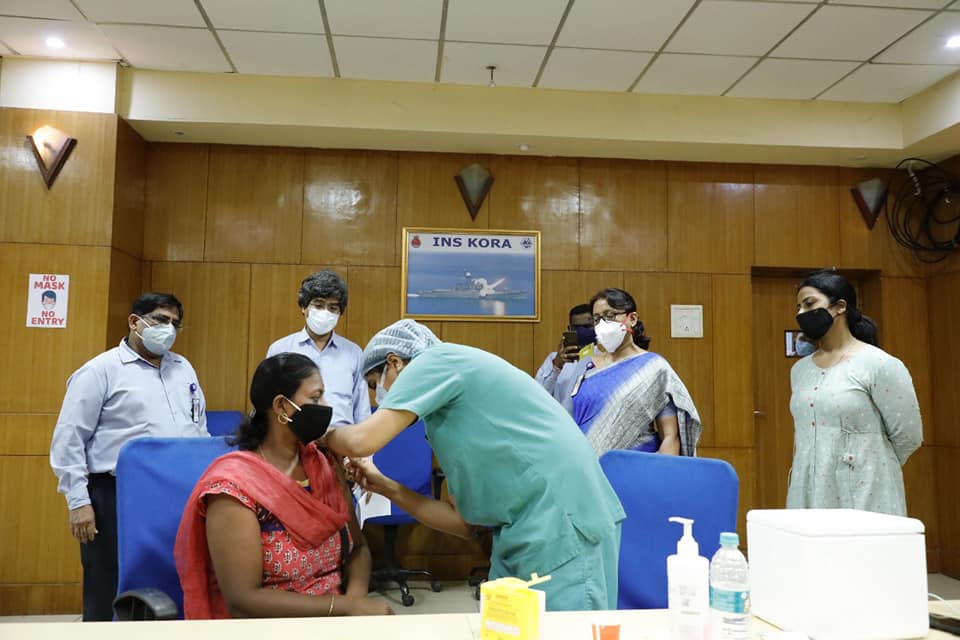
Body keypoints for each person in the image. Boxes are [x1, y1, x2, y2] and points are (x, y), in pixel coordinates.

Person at [322, 320, 625, 612]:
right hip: (519, 533)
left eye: (377, 385)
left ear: (395, 363)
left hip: (563, 521)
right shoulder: (447, 417)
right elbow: (462, 523)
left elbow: (362, 441)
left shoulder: (435, 360)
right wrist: (386, 486)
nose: (380, 397)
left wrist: (320, 434)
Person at [175, 353, 392, 619]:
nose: (325, 406)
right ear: (281, 406)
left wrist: (354, 602)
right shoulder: (233, 487)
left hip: (336, 619)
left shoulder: (323, 463)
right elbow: (243, 599)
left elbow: (358, 549)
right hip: (270, 625)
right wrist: (344, 608)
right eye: (315, 398)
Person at [49, 292, 208, 621]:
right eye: (161, 320)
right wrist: (78, 502)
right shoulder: (100, 371)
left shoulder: (183, 368)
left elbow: (199, 426)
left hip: (177, 492)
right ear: (135, 322)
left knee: (169, 576)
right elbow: (69, 439)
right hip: (116, 494)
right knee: (107, 582)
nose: (169, 329)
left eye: (175, 323)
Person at [788, 270, 922, 516]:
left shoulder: (879, 364)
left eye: (809, 304)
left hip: (866, 492)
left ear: (840, 306)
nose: (800, 314)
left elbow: (909, 436)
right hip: (807, 490)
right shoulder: (800, 370)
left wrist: (865, 462)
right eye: (798, 307)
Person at [572, 288, 701, 457]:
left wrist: (661, 474)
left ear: (632, 319)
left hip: (634, 470)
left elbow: (670, 436)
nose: (603, 324)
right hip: (587, 468)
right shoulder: (587, 367)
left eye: (610, 316)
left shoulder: (654, 369)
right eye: (597, 319)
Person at [266, 270, 371, 427]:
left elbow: (362, 413)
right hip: (293, 442)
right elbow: (267, 406)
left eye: (333, 307)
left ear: (340, 312)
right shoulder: (281, 350)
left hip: (342, 444)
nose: (325, 313)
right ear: (304, 307)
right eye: (319, 305)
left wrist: (361, 450)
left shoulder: (354, 353)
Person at [534, 303, 595, 404]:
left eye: (587, 327)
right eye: (576, 327)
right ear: (569, 329)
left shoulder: (606, 357)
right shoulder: (554, 359)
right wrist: (556, 366)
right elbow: (538, 396)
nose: (582, 331)